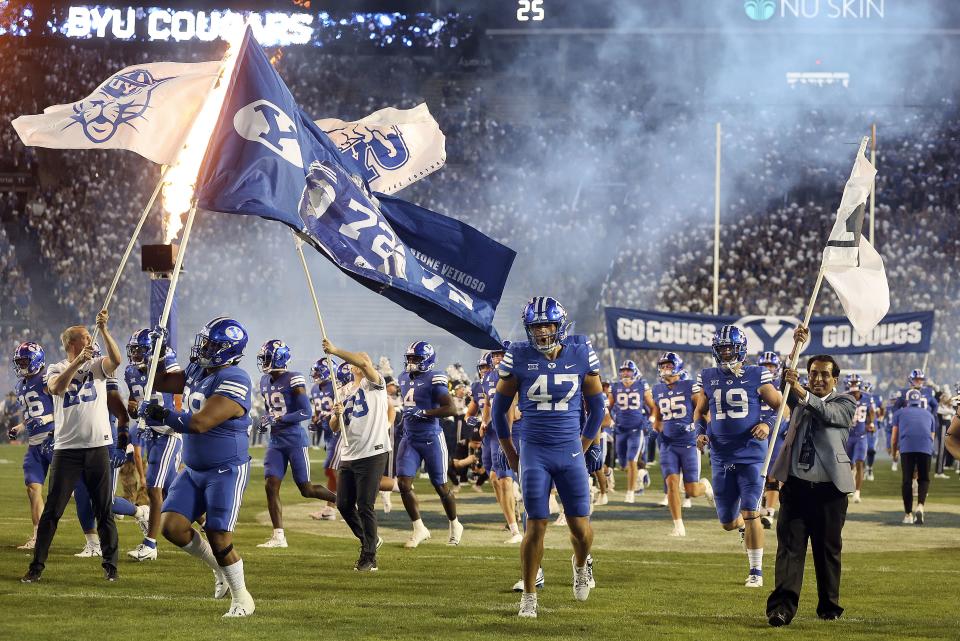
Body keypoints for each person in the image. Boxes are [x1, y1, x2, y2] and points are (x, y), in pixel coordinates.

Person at [492, 296, 606, 618]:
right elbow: (499, 411)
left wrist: (585, 445)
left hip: (569, 448)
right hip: (534, 450)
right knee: (535, 524)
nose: (542, 333)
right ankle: (529, 596)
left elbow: (597, 406)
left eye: (547, 325)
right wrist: (510, 452)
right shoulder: (518, 355)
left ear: (559, 325)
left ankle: (581, 564)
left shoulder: (580, 350)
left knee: (580, 528)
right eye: (536, 327)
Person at [138, 317, 255, 618]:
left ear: (228, 349)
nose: (204, 348)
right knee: (172, 528)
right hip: (193, 468)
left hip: (225, 469)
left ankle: (243, 599)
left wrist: (163, 414)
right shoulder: (199, 369)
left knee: (219, 536)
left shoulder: (236, 377)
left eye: (213, 344)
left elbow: (201, 422)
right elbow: (161, 381)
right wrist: (160, 353)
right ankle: (219, 569)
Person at [21, 311, 123, 583]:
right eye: (87, 337)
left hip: (98, 446)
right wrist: (78, 362)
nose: (91, 340)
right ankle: (36, 567)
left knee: (104, 509)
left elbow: (116, 360)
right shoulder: (55, 367)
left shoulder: (97, 365)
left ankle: (111, 565)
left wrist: (104, 330)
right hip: (66, 449)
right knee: (53, 511)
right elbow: (57, 388)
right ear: (72, 343)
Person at [766, 329, 857, 627]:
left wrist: (803, 393)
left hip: (830, 491)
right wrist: (796, 344)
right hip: (795, 487)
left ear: (835, 379)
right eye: (813, 373)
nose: (818, 379)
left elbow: (829, 414)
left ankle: (829, 606)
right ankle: (781, 608)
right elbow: (786, 377)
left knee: (827, 550)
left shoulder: (846, 402)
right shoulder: (797, 393)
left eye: (824, 375)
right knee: (789, 550)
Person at [693, 325, 782, 589]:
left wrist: (766, 423)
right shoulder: (708, 376)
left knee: (751, 510)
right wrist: (698, 433)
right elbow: (699, 412)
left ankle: (756, 571)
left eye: (730, 348)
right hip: (720, 455)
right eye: (722, 349)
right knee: (728, 523)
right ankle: (742, 526)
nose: (726, 353)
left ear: (741, 349)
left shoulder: (757, 374)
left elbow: (783, 408)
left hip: (751, 454)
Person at [256, 340, 336, 548]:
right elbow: (270, 410)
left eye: (266, 357)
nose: (263, 362)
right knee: (270, 485)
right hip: (275, 441)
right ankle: (279, 536)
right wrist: (267, 419)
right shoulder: (264, 380)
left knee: (306, 489)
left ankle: (343, 502)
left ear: (278, 358)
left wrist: (279, 419)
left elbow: (305, 412)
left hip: (293, 439)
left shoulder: (294, 379)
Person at [325, 339, 394, 571]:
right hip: (349, 452)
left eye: (362, 359)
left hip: (372, 451)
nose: (360, 360)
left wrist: (335, 350)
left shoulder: (376, 383)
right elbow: (334, 427)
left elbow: (364, 362)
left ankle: (369, 557)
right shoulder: (343, 390)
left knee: (365, 505)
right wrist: (336, 415)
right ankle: (368, 540)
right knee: (343, 504)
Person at [396, 341, 462, 548]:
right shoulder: (402, 377)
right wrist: (402, 422)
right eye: (410, 358)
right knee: (403, 484)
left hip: (431, 438)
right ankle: (418, 528)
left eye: (416, 359)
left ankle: (455, 523)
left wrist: (424, 412)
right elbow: (409, 404)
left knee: (441, 486)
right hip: (409, 438)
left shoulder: (435, 378)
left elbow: (450, 409)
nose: (411, 362)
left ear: (427, 360)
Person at [124, 328, 183, 561]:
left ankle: (150, 544)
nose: (135, 354)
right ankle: (207, 524)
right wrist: (133, 407)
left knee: (154, 488)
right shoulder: (130, 371)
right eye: (133, 350)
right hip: (151, 433)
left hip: (169, 432)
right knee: (171, 489)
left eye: (140, 350)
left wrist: (161, 361)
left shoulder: (166, 364)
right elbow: (132, 400)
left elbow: (179, 394)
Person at [651, 352, 714, 537]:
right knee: (671, 483)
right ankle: (678, 526)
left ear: (677, 366)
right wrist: (655, 428)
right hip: (668, 444)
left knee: (691, 490)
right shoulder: (657, 389)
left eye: (668, 365)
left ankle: (706, 487)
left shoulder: (689, 385)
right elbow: (659, 415)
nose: (665, 369)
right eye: (662, 366)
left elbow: (703, 410)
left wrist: (706, 431)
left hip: (688, 442)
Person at [10, 342, 56, 550]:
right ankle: (38, 537)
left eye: (24, 361)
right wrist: (20, 426)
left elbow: (66, 408)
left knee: (78, 488)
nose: (21, 366)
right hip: (34, 444)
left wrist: (46, 418)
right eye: (19, 362)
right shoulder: (21, 385)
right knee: (33, 489)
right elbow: (32, 415)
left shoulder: (47, 378)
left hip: (54, 439)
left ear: (36, 360)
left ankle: (94, 539)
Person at [609, 360, 655, 503]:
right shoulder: (615, 386)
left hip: (636, 429)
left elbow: (653, 406)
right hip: (620, 429)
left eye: (628, 370)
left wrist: (652, 420)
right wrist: (610, 420)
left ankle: (630, 492)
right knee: (623, 464)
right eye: (622, 370)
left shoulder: (642, 385)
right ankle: (642, 474)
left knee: (632, 459)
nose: (625, 373)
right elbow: (608, 407)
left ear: (634, 372)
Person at [891, 389, 937, 525]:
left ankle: (908, 514)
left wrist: (894, 453)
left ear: (907, 401)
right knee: (924, 479)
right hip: (925, 448)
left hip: (907, 448)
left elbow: (894, 437)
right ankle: (920, 506)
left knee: (907, 480)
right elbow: (932, 436)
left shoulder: (899, 413)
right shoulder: (929, 415)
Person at [308, 358, 340, 521]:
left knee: (334, 471)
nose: (315, 375)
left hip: (338, 434)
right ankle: (329, 509)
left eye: (318, 371)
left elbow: (342, 408)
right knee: (332, 472)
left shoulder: (336, 386)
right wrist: (315, 420)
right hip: (328, 435)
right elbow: (317, 410)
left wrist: (330, 415)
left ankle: (350, 503)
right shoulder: (314, 389)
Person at [843, 374, 874, 504]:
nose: (854, 387)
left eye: (856, 383)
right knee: (848, 464)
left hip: (861, 436)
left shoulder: (867, 398)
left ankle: (857, 492)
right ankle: (849, 485)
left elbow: (871, 412)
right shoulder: (844, 398)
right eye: (852, 383)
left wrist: (871, 423)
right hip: (848, 436)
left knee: (860, 462)